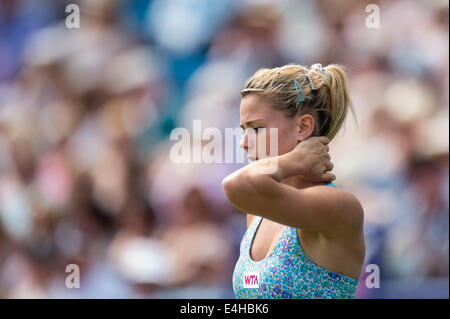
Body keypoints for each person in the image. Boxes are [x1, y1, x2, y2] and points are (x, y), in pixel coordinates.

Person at [222, 63, 365, 299]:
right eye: (244, 130)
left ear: (303, 127)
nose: (244, 142)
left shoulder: (340, 206)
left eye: (257, 128)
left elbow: (235, 185)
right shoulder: (260, 211)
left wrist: (294, 161)